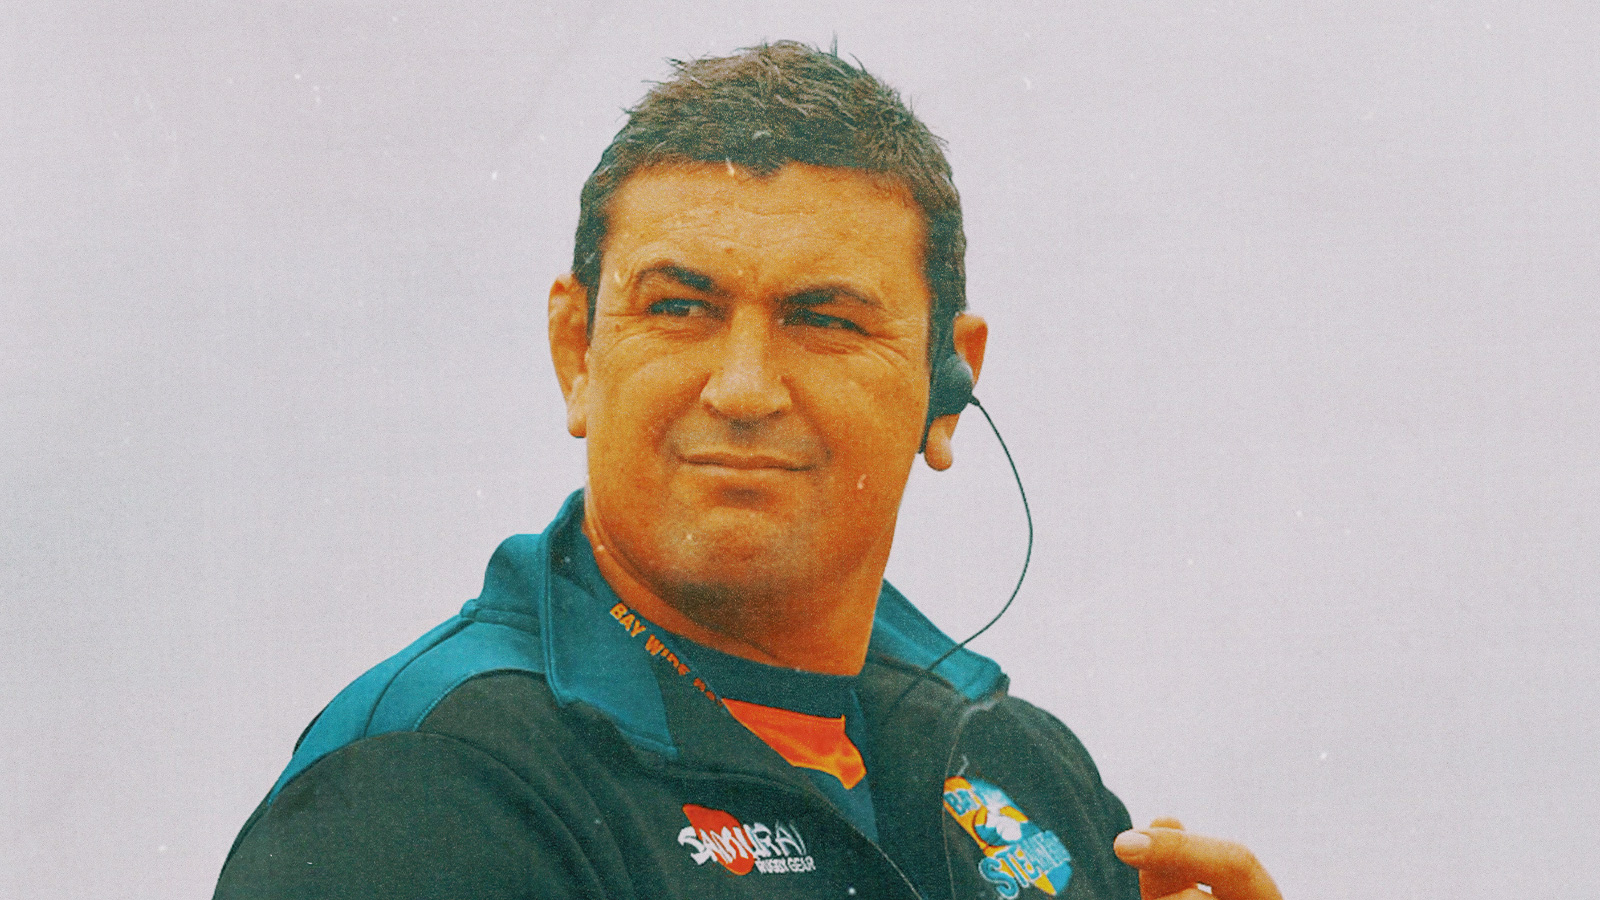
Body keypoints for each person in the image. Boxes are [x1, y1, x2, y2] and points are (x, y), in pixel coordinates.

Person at [214, 41, 1281, 900]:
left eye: (825, 319)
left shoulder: (1017, 765)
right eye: (681, 307)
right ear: (577, 354)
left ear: (945, 386)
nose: (742, 387)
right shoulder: (433, 783)